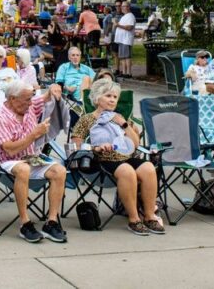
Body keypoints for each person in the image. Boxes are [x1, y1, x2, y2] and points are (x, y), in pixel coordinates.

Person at [70, 77, 163, 235]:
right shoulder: (87, 119)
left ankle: (149, 216)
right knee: (126, 170)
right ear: (98, 98)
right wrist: (96, 147)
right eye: (108, 96)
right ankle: (134, 219)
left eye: (114, 97)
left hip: (124, 157)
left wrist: (124, 124)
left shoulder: (118, 117)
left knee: (148, 167)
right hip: (99, 160)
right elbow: (75, 147)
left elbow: (134, 144)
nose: (112, 100)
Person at [0, 79, 67, 243]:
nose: (31, 103)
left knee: (59, 170)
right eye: (27, 100)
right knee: (23, 169)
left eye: (31, 98)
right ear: (12, 99)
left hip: (31, 158)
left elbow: (45, 97)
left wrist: (53, 89)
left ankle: (51, 221)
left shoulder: (28, 105)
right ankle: (25, 223)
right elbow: (10, 149)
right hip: (8, 161)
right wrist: (34, 135)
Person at [112, 0, 136, 78]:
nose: (122, 8)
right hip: (121, 40)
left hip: (126, 40)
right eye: (121, 6)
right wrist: (116, 24)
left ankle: (128, 73)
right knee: (122, 57)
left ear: (128, 7)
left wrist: (118, 25)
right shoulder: (124, 16)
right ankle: (124, 72)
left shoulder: (130, 16)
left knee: (127, 57)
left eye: (123, 6)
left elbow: (129, 27)